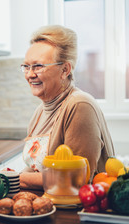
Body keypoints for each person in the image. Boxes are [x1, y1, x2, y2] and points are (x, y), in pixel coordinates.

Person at [19, 25, 115, 189]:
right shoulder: (40, 111)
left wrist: (16, 178)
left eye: (38, 66)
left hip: (78, 209)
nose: (30, 74)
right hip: (51, 202)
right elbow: (34, 168)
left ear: (65, 70)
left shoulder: (79, 105)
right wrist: (14, 178)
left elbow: (76, 179)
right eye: (26, 66)